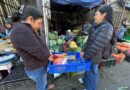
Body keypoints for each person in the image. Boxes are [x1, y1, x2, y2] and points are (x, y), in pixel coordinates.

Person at [10, 6, 54, 90]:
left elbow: (36, 45)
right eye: (39, 23)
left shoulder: (24, 28)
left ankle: (46, 86)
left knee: (42, 80)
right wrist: (48, 56)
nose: (40, 26)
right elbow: (37, 51)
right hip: (36, 68)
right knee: (40, 84)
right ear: (30, 19)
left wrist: (47, 53)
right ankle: (44, 87)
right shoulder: (21, 30)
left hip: (37, 66)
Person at [79, 5, 114, 90]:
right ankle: (85, 80)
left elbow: (97, 46)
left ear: (104, 15)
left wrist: (85, 55)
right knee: (88, 68)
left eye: (96, 14)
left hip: (95, 55)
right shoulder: (97, 25)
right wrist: (83, 50)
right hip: (90, 52)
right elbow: (89, 40)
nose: (94, 16)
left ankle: (90, 88)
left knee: (92, 71)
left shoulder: (107, 28)